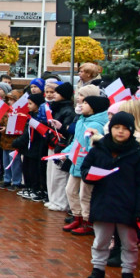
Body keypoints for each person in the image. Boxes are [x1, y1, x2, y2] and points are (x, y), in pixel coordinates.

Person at [79, 111, 140, 278]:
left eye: (124, 129)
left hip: (127, 205)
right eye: (116, 128)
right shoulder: (99, 148)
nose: (120, 132)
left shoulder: (138, 154)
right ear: (110, 129)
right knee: (101, 241)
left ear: (131, 131)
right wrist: (90, 175)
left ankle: (128, 275)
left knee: (129, 243)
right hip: (103, 203)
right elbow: (85, 169)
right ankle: (98, 273)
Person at [62, 95, 110, 235]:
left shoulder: (95, 125)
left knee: (85, 195)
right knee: (70, 190)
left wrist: (88, 159)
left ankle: (87, 221)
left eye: (86, 103)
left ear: (95, 107)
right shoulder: (81, 121)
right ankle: (77, 216)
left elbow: (93, 147)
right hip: (76, 162)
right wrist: (64, 153)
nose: (81, 105)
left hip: (86, 165)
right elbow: (76, 142)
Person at [44, 82, 77, 211]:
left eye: (56, 93)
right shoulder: (56, 107)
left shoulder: (68, 110)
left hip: (60, 145)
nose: (53, 95)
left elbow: (65, 130)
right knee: (51, 173)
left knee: (59, 175)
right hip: (52, 143)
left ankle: (60, 202)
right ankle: (53, 198)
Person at [0, 89, 27, 189]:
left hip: (14, 142)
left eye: (12, 100)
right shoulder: (6, 110)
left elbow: (20, 127)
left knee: (15, 162)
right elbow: (1, 121)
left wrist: (6, 128)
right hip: (5, 141)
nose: (9, 102)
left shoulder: (20, 113)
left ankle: (16, 181)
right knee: (6, 161)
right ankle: (7, 179)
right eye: (8, 100)